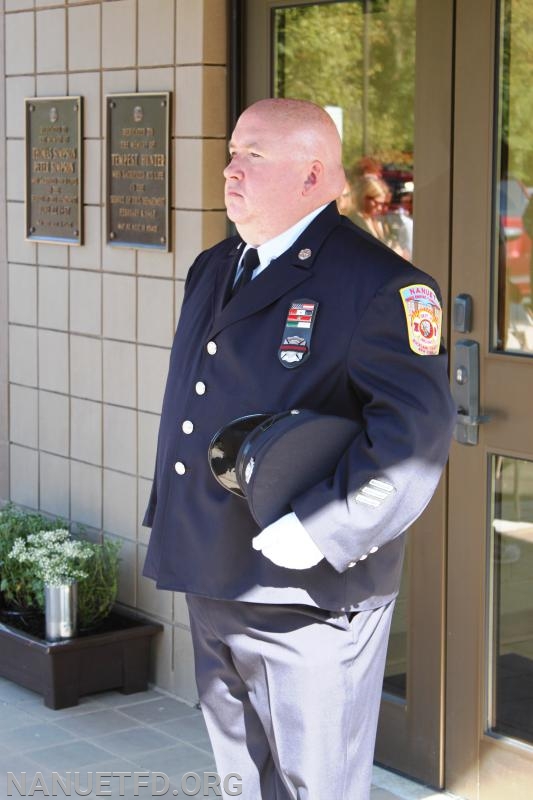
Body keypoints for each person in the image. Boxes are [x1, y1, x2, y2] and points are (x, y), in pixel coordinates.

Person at [143, 97, 455, 800]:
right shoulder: (216, 266)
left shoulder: (380, 286)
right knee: (243, 780)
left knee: (314, 785)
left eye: (252, 156)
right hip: (213, 568)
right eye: (231, 153)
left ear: (313, 176)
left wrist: (322, 527)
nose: (229, 170)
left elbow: (413, 439)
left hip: (308, 593)